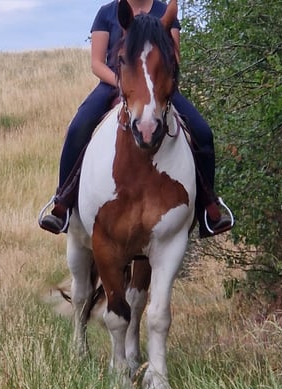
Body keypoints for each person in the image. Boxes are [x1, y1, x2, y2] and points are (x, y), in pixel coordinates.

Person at [39, 0, 233, 237]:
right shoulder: (107, 13)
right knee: (78, 128)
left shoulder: (164, 12)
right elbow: (97, 63)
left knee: (203, 133)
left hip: (156, 89)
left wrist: (151, 84)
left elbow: (174, 59)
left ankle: (208, 209)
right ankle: (62, 204)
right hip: (115, 84)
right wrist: (124, 84)